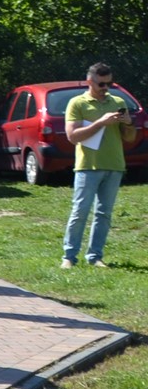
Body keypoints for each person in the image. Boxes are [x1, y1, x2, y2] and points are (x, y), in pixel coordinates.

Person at [63, 62, 136, 269]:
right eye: (101, 84)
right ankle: (69, 257)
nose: (106, 88)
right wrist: (100, 123)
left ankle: (95, 256)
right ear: (89, 81)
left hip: (114, 165)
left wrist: (128, 123)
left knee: (104, 214)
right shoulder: (77, 103)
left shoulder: (118, 101)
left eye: (109, 84)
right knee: (80, 212)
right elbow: (72, 136)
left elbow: (130, 138)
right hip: (88, 165)